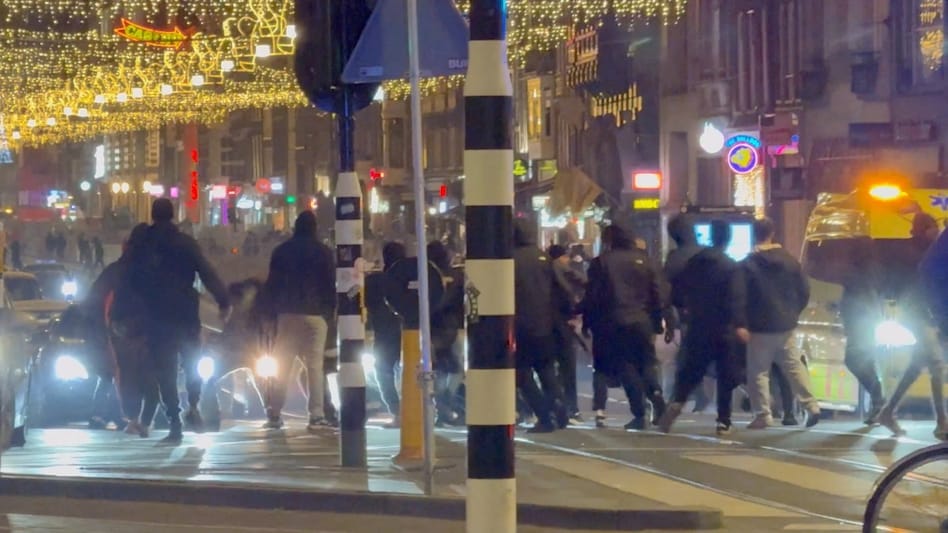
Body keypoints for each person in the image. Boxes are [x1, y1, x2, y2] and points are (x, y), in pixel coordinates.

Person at [116, 199, 230, 443]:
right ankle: (194, 403)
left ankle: (175, 422)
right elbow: (206, 272)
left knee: (165, 372)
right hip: (186, 313)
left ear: (153, 215)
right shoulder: (186, 243)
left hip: (157, 315)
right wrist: (223, 300)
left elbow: (128, 279)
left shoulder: (145, 245)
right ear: (173, 215)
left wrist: (126, 312)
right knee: (192, 364)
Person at [733, 217, 821, 430]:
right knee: (793, 366)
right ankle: (811, 406)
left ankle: (763, 414)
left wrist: (741, 323)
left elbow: (740, 295)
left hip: (760, 326)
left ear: (754, 235)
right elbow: (804, 290)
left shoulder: (748, 264)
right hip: (786, 324)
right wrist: (793, 313)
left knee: (758, 371)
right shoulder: (791, 261)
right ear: (772, 233)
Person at [659, 219, 742, 435]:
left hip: (697, 324)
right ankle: (724, 421)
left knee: (691, 370)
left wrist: (684, 309)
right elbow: (736, 298)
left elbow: (676, 290)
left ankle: (676, 403)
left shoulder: (695, 263)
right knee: (726, 374)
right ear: (728, 238)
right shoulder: (730, 265)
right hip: (724, 327)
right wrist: (741, 324)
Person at [581, 224, 666, 430]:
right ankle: (655, 394)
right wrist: (657, 323)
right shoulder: (646, 261)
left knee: (626, 366)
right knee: (646, 362)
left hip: (614, 321)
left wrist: (588, 322)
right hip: (642, 320)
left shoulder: (601, 262)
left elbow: (593, 296)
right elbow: (658, 294)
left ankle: (639, 413)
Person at [258, 210, 336, 432]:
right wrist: (328, 313)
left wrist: (269, 315)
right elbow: (330, 285)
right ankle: (317, 415)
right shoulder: (324, 252)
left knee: (283, 365)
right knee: (314, 366)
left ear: (295, 227)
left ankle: (274, 413)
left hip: (287, 314)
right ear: (315, 228)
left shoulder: (281, 251)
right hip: (315, 315)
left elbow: (271, 285)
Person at [877, 213, 946, 438]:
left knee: (917, 364)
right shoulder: (917, 253)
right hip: (920, 314)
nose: (935, 230)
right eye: (931, 227)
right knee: (937, 364)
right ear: (922, 229)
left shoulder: (928, 249)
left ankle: (887, 411)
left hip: (923, 312)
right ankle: (942, 421)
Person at [90, 224, 159, 437]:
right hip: (151, 327)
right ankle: (145, 420)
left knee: (128, 373)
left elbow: (96, 295)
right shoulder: (158, 267)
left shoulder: (119, 268)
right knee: (150, 374)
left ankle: (133, 418)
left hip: (122, 327)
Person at [513, 218, 568, 433]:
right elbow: (561, 289)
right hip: (545, 324)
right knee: (546, 371)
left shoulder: (510, 258)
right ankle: (560, 410)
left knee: (523, 374)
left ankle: (544, 416)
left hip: (519, 325)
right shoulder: (544, 258)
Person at [365, 242, 406, 426]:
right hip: (410, 331)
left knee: (383, 372)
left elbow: (367, 304)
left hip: (384, 334)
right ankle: (416, 409)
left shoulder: (375, 281)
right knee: (412, 373)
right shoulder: (410, 277)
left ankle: (397, 411)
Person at [428, 240, 465, 426]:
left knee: (439, 369)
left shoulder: (426, 274)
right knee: (456, 368)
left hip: (431, 327)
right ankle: (446, 401)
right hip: (452, 326)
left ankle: (441, 406)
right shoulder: (456, 275)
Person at [549, 244, 586, 421]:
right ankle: (571, 408)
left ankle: (556, 405)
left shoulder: (544, 271)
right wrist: (576, 309)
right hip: (562, 323)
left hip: (547, 324)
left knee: (550, 367)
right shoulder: (559, 268)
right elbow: (580, 282)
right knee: (567, 367)